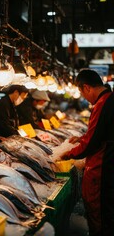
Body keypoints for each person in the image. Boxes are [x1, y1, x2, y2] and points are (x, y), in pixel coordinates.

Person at [54, 69, 114, 236]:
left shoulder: (102, 104)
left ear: (86, 87)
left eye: (81, 92)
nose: (83, 97)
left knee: (100, 216)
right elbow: (100, 134)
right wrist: (82, 138)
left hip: (103, 169)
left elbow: (92, 144)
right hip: (106, 165)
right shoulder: (108, 99)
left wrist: (67, 153)